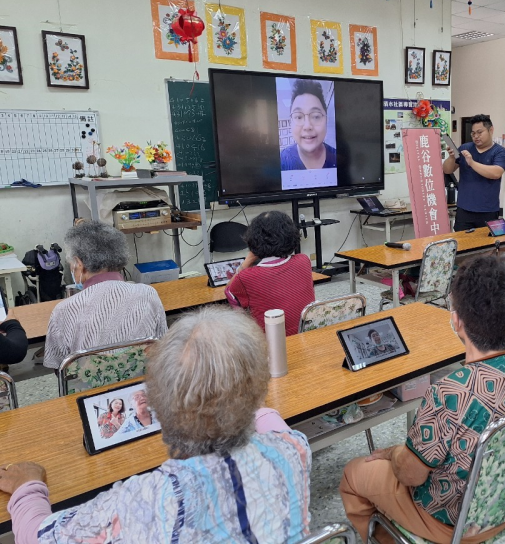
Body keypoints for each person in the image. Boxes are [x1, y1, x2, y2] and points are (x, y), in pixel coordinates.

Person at [0, 306, 311, 544]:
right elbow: (269, 420)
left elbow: (43, 537)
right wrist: (238, 398)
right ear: (258, 386)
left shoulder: (144, 500)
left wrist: (28, 488)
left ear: (158, 401)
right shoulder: (294, 447)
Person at [340, 256, 505, 543]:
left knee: (353, 474)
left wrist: (392, 452)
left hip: (454, 522)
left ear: (457, 320)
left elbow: (411, 475)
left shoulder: (450, 392)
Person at [43, 221, 167, 369]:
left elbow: (57, 366)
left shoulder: (63, 310)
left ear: (78, 263)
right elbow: (161, 347)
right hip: (139, 386)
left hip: (87, 391)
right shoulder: (148, 294)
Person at [225, 211, 315, 335]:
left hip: (270, 341)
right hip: (306, 334)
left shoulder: (247, 277)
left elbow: (229, 291)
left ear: (253, 239)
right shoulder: (303, 260)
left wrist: (247, 261)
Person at [443, 114, 505, 231]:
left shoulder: (500, 152)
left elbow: (496, 173)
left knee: (487, 247)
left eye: (480, 132)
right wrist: (452, 157)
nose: (476, 136)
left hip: (488, 210)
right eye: (473, 133)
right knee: (462, 245)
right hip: (464, 209)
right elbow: (447, 170)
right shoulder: (465, 148)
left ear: (491, 130)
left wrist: (472, 163)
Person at [280, 79, 336, 171]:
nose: (307, 126)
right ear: (291, 123)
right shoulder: (282, 160)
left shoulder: (338, 157)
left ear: (326, 120)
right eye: (298, 117)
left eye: (316, 116)